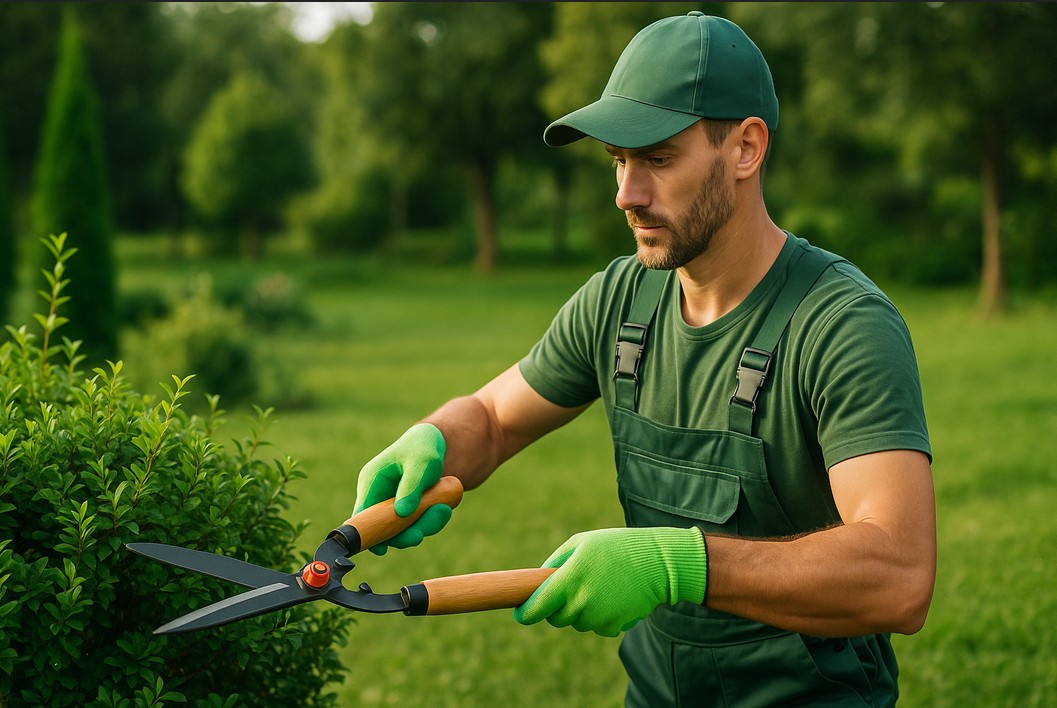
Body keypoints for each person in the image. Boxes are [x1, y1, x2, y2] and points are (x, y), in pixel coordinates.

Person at [353, 12, 935, 707]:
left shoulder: (841, 325)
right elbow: (495, 417)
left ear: (745, 148)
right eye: (617, 161)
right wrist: (437, 438)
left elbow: (899, 574)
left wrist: (678, 564)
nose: (627, 193)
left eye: (657, 159)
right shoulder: (619, 301)